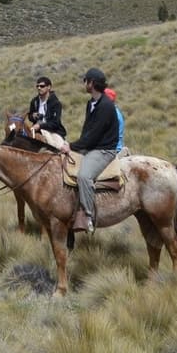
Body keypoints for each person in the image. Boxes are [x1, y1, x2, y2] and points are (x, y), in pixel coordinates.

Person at [61, 67, 121, 233]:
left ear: (92, 83)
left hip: (103, 150)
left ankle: (88, 215)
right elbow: (87, 130)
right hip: (91, 147)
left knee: (84, 176)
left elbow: (93, 136)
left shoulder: (106, 107)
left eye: (85, 80)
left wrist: (71, 146)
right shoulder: (91, 103)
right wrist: (76, 147)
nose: (84, 83)